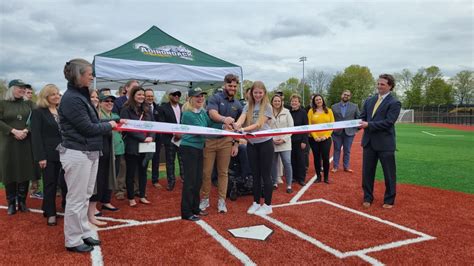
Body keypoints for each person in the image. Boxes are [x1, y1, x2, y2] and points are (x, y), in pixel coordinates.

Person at [58, 59, 118, 253]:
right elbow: (88, 128)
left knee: (84, 196)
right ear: (79, 75)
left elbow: (91, 123)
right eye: (89, 73)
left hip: (88, 152)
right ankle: (73, 240)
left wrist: (110, 123)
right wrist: (110, 125)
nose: (92, 76)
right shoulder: (72, 99)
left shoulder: (80, 96)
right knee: (76, 198)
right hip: (78, 153)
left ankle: (82, 231)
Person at [200, 74, 242, 214]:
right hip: (210, 140)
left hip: (226, 142)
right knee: (206, 172)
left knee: (223, 173)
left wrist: (236, 144)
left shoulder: (238, 104)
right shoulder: (215, 97)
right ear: (225, 85)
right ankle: (204, 199)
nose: (232, 88)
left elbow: (238, 127)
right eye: (230, 85)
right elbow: (212, 114)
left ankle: (221, 201)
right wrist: (225, 119)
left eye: (235, 86)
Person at [359, 74, 401, 209]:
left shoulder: (394, 103)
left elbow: (389, 122)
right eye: (378, 83)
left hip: (385, 144)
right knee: (367, 173)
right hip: (369, 143)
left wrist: (368, 125)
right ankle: (367, 197)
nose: (379, 86)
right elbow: (362, 117)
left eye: (382, 84)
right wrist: (356, 123)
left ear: (390, 86)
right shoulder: (369, 100)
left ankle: (389, 199)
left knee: (389, 173)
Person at [235, 81, 274, 216]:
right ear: (251, 93)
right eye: (255, 92)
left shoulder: (268, 107)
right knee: (255, 175)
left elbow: (258, 124)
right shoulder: (248, 105)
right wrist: (236, 125)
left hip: (265, 144)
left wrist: (243, 130)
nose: (257, 95)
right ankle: (256, 202)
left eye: (260, 92)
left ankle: (268, 205)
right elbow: (242, 118)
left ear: (264, 93)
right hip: (252, 144)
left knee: (266, 175)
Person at [180, 88, 218, 221]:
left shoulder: (202, 112)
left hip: (198, 148)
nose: (200, 98)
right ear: (191, 98)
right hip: (189, 148)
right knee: (190, 181)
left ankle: (195, 208)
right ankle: (186, 211)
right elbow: (202, 131)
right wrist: (221, 132)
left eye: (202, 96)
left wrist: (224, 126)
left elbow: (210, 124)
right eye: (197, 96)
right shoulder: (188, 114)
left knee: (198, 180)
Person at [0, 79, 36, 215]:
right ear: (11, 89)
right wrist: (13, 131)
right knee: (9, 171)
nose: (22, 90)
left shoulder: (29, 104)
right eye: (19, 87)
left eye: (23, 88)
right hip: (8, 143)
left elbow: (36, 119)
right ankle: (10, 203)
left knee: (25, 171)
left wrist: (26, 130)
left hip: (25, 143)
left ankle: (22, 202)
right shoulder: (2, 103)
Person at [31, 84, 65, 226]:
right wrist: (41, 157)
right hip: (48, 154)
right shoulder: (39, 112)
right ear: (46, 97)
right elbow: (36, 136)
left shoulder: (61, 111)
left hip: (65, 152)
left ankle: (60, 206)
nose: (57, 96)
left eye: (58, 93)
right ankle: (50, 212)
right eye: (53, 94)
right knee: (50, 183)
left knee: (64, 182)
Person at [120, 86, 155, 207]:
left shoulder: (147, 109)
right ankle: (130, 197)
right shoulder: (126, 109)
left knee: (143, 172)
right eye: (139, 94)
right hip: (132, 145)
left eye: (143, 95)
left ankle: (142, 195)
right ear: (133, 95)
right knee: (131, 172)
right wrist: (143, 138)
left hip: (146, 145)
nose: (141, 97)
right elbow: (128, 129)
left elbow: (153, 125)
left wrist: (151, 137)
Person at [112, 80, 139, 200]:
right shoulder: (118, 101)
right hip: (123, 137)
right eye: (133, 87)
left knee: (136, 165)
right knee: (123, 165)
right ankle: (120, 190)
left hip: (137, 138)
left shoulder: (139, 102)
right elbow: (115, 118)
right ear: (126, 88)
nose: (136, 89)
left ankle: (135, 188)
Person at [157, 88, 184, 191]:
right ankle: (171, 182)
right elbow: (162, 123)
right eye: (174, 94)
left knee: (183, 161)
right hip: (169, 139)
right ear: (169, 95)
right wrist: (174, 133)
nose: (177, 96)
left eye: (178, 94)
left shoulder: (183, 107)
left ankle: (184, 179)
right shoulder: (163, 108)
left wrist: (182, 133)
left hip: (182, 138)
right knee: (170, 161)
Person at [331, 90, 360, 173]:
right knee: (337, 149)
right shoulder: (334, 107)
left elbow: (359, 118)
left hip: (349, 133)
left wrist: (356, 129)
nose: (346, 96)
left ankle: (346, 167)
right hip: (337, 133)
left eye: (348, 95)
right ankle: (335, 167)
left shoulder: (354, 106)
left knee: (347, 150)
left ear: (350, 97)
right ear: (341, 95)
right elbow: (331, 119)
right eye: (344, 94)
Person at [308, 94, 335, 184]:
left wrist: (325, 136)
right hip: (314, 139)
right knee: (316, 158)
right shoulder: (311, 111)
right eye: (316, 100)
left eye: (320, 99)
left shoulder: (329, 111)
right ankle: (318, 177)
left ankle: (326, 177)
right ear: (314, 102)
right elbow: (309, 125)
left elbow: (332, 125)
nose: (318, 101)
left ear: (322, 100)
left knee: (325, 157)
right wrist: (315, 136)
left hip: (326, 139)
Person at [270, 94, 294, 193]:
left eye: (278, 101)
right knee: (273, 163)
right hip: (272, 142)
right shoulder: (267, 113)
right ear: (272, 102)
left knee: (287, 163)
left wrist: (284, 139)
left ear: (281, 102)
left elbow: (291, 127)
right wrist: (271, 139)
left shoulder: (287, 112)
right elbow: (265, 127)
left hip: (285, 143)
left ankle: (289, 185)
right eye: (275, 101)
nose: (277, 103)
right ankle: (274, 182)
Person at [289, 94, 308, 186]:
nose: (294, 103)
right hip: (289, 140)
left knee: (301, 160)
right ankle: (294, 177)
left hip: (300, 140)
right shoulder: (288, 112)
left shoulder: (303, 113)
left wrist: (304, 141)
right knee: (292, 159)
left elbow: (306, 127)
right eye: (292, 101)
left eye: (296, 101)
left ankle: (301, 178)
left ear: (299, 103)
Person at [145, 88, 162, 188]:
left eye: (151, 96)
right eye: (148, 96)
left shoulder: (158, 108)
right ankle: (143, 181)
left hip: (158, 138)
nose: (150, 98)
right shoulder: (141, 109)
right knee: (145, 159)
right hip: (146, 138)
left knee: (156, 159)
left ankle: (155, 180)